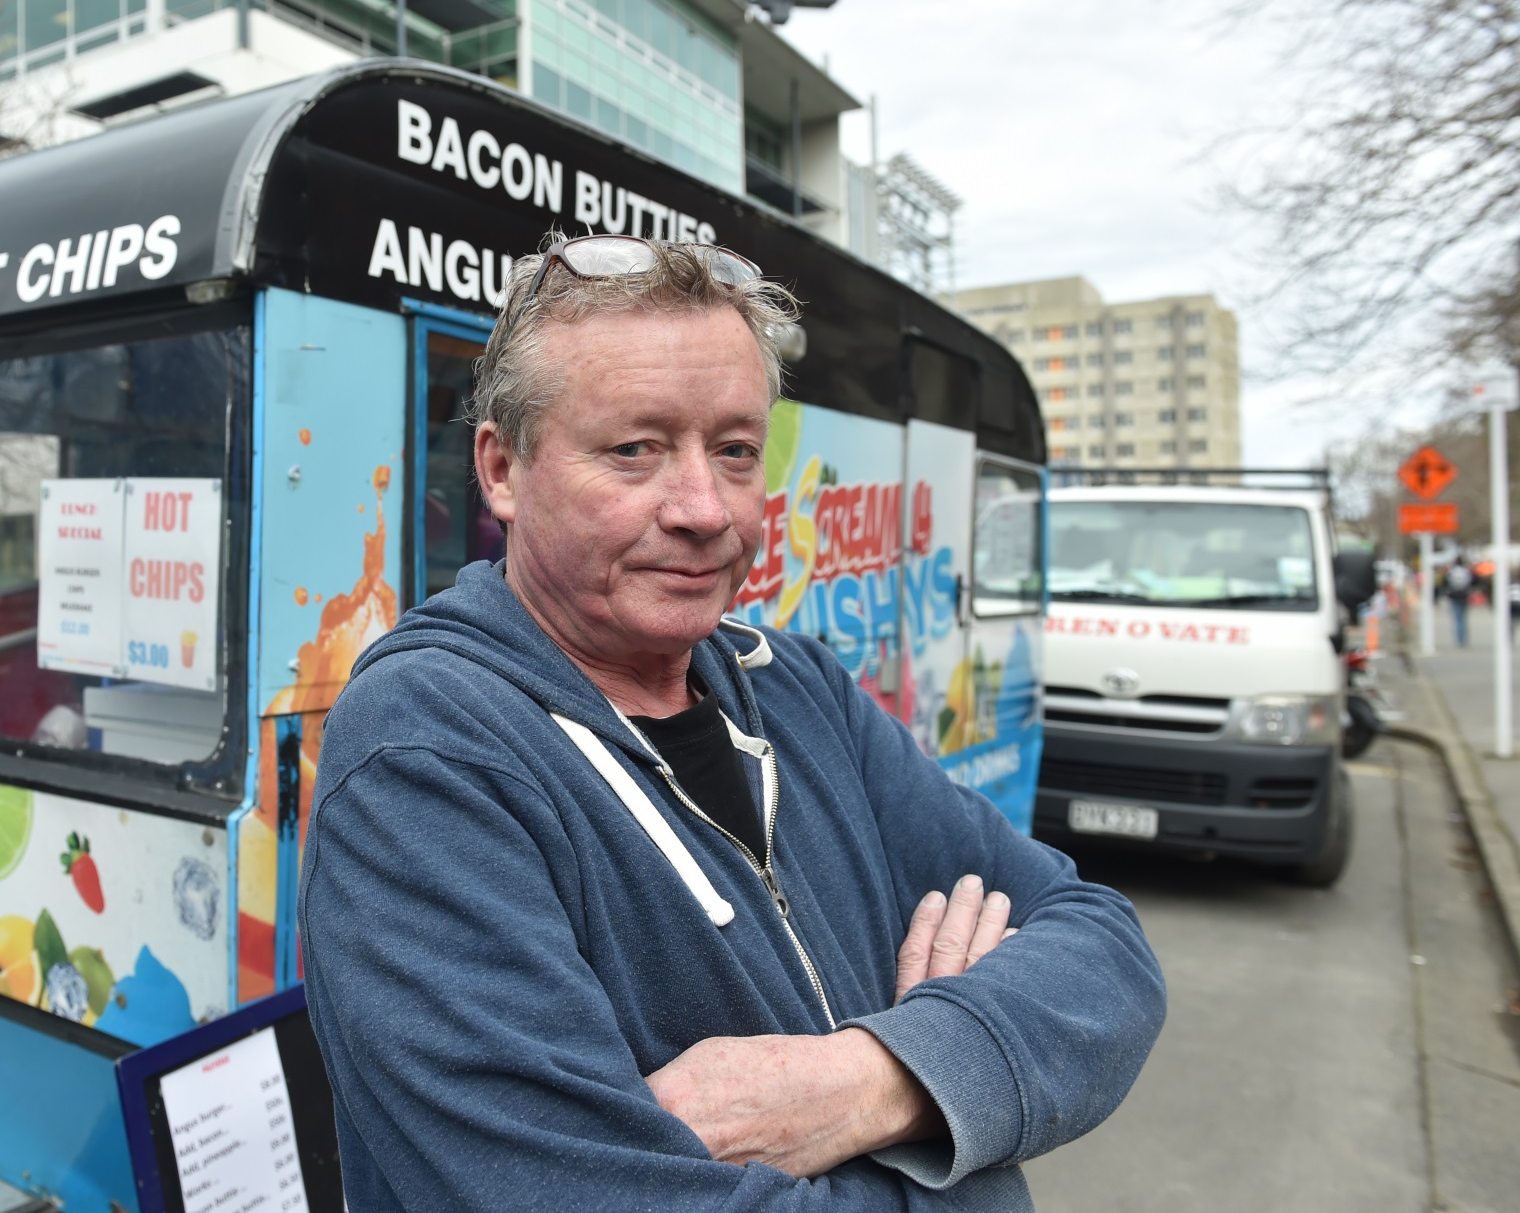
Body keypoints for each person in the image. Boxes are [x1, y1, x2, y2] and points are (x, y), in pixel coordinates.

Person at [299, 236, 1166, 1209]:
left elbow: (1103, 948)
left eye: (734, 450)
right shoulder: (428, 751)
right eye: (634, 448)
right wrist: (977, 1156)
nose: (703, 508)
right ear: (502, 470)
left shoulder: (796, 687)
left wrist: (872, 1080)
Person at [1446, 559, 1474, 646]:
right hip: (1464, 595)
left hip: (1454, 596)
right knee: (1463, 618)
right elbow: (1473, 581)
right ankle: (1463, 638)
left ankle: (1459, 639)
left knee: (1457, 618)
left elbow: (1446, 582)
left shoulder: (1451, 572)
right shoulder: (1466, 572)